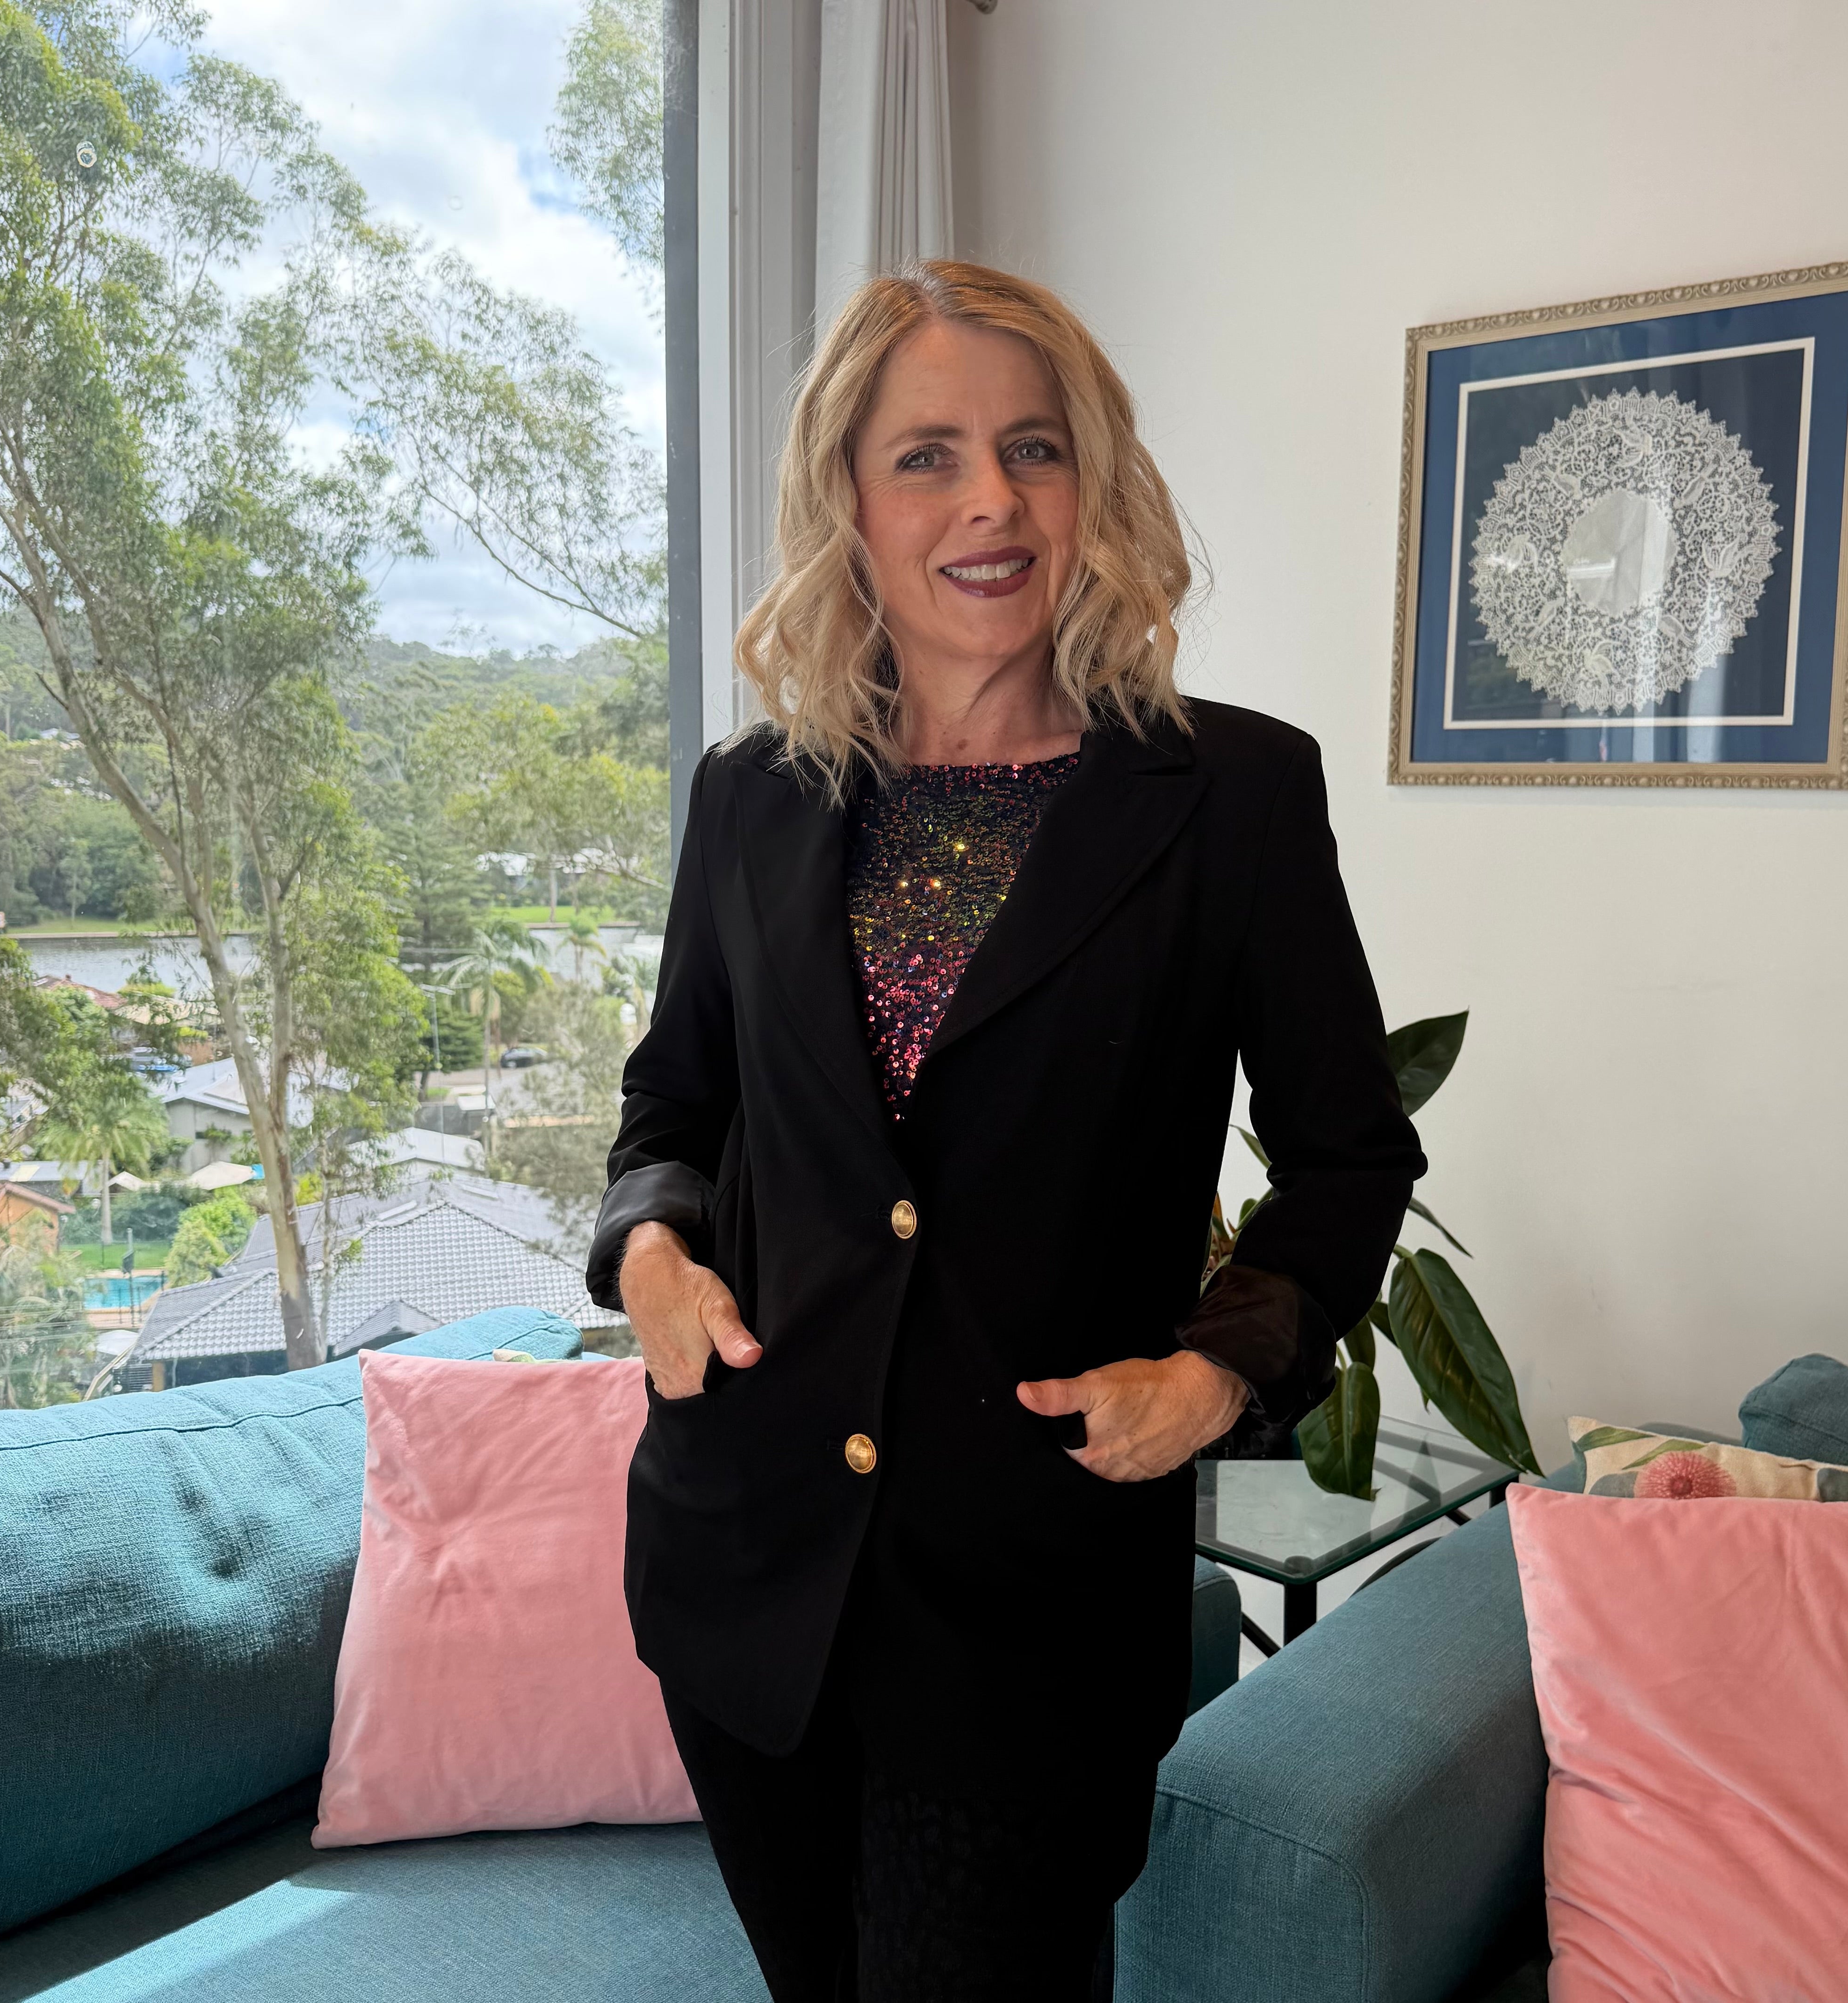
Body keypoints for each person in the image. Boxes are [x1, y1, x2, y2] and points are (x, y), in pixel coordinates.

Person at [587, 260, 1424, 2003]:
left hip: (1030, 1603)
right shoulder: (751, 797)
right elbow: (675, 1099)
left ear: (1089, 480)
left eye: (1032, 448)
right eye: (928, 456)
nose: (990, 499)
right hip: (744, 1564)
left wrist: (1216, 1373)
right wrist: (651, 1251)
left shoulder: (1232, 795)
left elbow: (1349, 1156)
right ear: (848, 498)